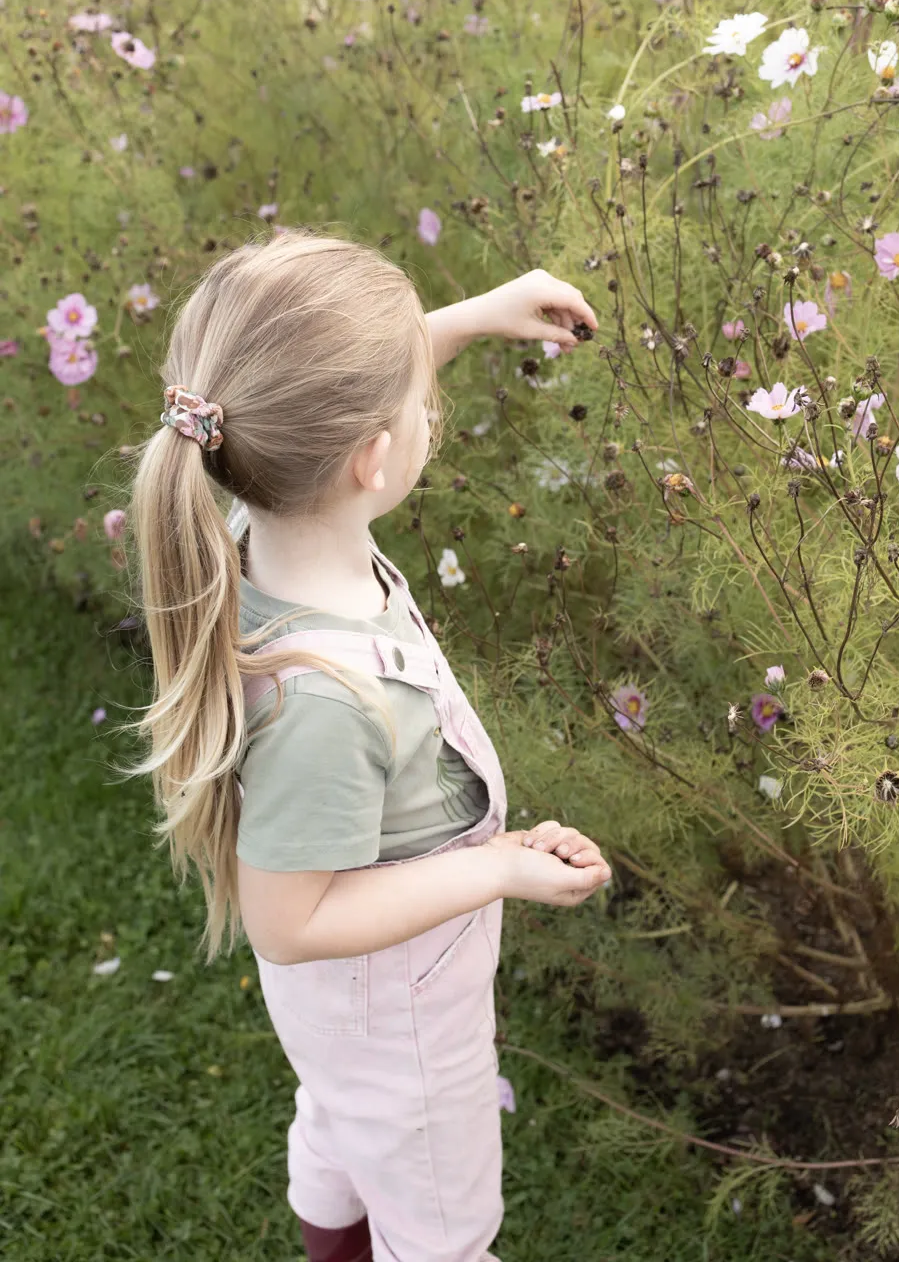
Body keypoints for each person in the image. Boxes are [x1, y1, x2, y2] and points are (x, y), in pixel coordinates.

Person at [127, 230, 610, 1262]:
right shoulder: (326, 701)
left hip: (345, 1020)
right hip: (398, 1015)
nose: (424, 407)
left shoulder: (276, 523)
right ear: (373, 460)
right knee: (440, 1222)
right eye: (417, 401)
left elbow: (324, 406)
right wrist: (500, 867)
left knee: (341, 1119)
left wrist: (476, 315)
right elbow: (291, 921)